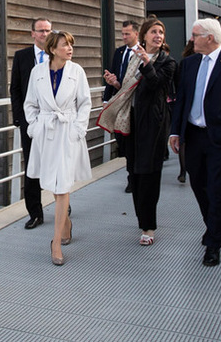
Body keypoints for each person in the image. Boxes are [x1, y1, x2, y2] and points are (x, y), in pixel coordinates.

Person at [169, 18, 221, 267]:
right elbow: (181, 100)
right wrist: (175, 132)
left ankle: (214, 242)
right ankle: (212, 225)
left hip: (220, 138)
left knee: (218, 189)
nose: (191, 40)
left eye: (195, 35)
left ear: (210, 38)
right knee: (198, 184)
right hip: (193, 136)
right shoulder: (189, 64)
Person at [23, 30, 92, 266]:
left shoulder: (77, 71)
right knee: (53, 182)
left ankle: (55, 242)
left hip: (67, 132)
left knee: (62, 186)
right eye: (65, 45)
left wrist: (78, 129)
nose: (70, 49)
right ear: (53, 49)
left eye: (71, 45)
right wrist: (34, 127)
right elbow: (30, 103)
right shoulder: (37, 72)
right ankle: (67, 224)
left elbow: (85, 103)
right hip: (46, 132)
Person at [125, 17, 177, 246]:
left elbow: (156, 85)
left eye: (161, 32)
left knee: (149, 174)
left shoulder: (168, 62)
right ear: (144, 36)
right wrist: (117, 84)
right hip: (131, 121)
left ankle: (149, 226)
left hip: (154, 124)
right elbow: (131, 89)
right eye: (154, 32)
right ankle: (141, 219)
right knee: (134, 173)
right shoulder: (131, 58)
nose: (158, 36)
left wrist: (147, 63)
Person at [9, 17, 52, 230]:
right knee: (32, 166)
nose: (45, 34)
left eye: (48, 30)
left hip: (54, 121)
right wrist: (19, 119)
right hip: (30, 122)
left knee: (55, 163)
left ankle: (62, 202)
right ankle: (35, 213)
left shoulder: (58, 55)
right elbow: (15, 89)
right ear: (32, 34)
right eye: (41, 31)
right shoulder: (22, 57)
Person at [103, 20, 142, 193]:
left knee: (134, 144)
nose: (124, 37)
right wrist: (107, 96)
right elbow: (114, 73)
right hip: (118, 102)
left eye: (127, 33)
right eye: (122, 33)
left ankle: (133, 178)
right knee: (123, 142)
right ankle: (131, 172)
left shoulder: (142, 53)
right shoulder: (119, 52)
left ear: (136, 34)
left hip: (135, 104)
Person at [175, 39, 195, 183]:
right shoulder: (186, 63)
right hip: (186, 105)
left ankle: (186, 170)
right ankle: (183, 170)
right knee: (183, 140)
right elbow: (179, 84)